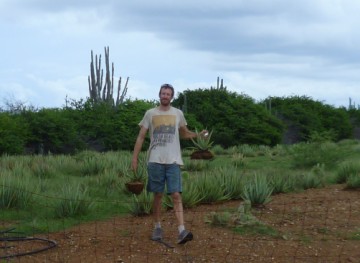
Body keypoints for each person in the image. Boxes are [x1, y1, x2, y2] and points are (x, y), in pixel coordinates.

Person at [131, 83, 208, 245]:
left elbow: (185, 133)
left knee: (176, 194)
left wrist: (198, 135)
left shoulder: (178, 113)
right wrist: (135, 158)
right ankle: (157, 227)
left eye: (168, 94)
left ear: (172, 97)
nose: (165, 96)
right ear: (159, 95)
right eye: (163, 93)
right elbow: (140, 137)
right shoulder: (150, 113)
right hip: (155, 160)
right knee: (157, 195)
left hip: (173, 161)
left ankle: (182, 231)